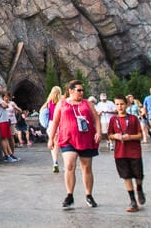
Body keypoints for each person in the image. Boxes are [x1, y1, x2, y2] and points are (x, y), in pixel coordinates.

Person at [48, 79, 101, 209]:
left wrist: (98, 132)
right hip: (68, 138)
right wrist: (51, 138)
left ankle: (89, 195)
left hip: (86, 138)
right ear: (71, 91)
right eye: (79, 90)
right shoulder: (62, 104)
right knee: (69, 165)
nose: (81, 92)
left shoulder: (87, 103)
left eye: (82, 90)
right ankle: (69, 195)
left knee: (86, 167)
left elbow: (96, 119)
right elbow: (55, 121)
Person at [107, 95, 146, 212]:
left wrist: (130, 137)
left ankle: (139, 188)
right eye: (117, 104)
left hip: (134, 151)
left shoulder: (133, 119)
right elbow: (109, 135)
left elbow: (140, 135)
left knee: (138, 175)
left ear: (127, 105)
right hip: (120, 152)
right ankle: (132, 200)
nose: (119, 106)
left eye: (122, 104)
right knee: (126, 176)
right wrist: (115, 136)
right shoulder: (113, 120)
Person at [0, 84, 18, 162]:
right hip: (0, 120)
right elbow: (5, 105)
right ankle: (6, 155)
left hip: (3, 120)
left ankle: (10, 154)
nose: (1, 89)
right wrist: (5, 104)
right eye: (0, 88)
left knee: (6, 138)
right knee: (3, 138)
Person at [40, 86, 63, 172]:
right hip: (61, 123)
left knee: (54, 144)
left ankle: (55, 163)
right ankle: (66, 163)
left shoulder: (49, 102)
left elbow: (41, 111)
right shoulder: (62, 101)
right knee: (63, 144)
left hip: (51, 124)